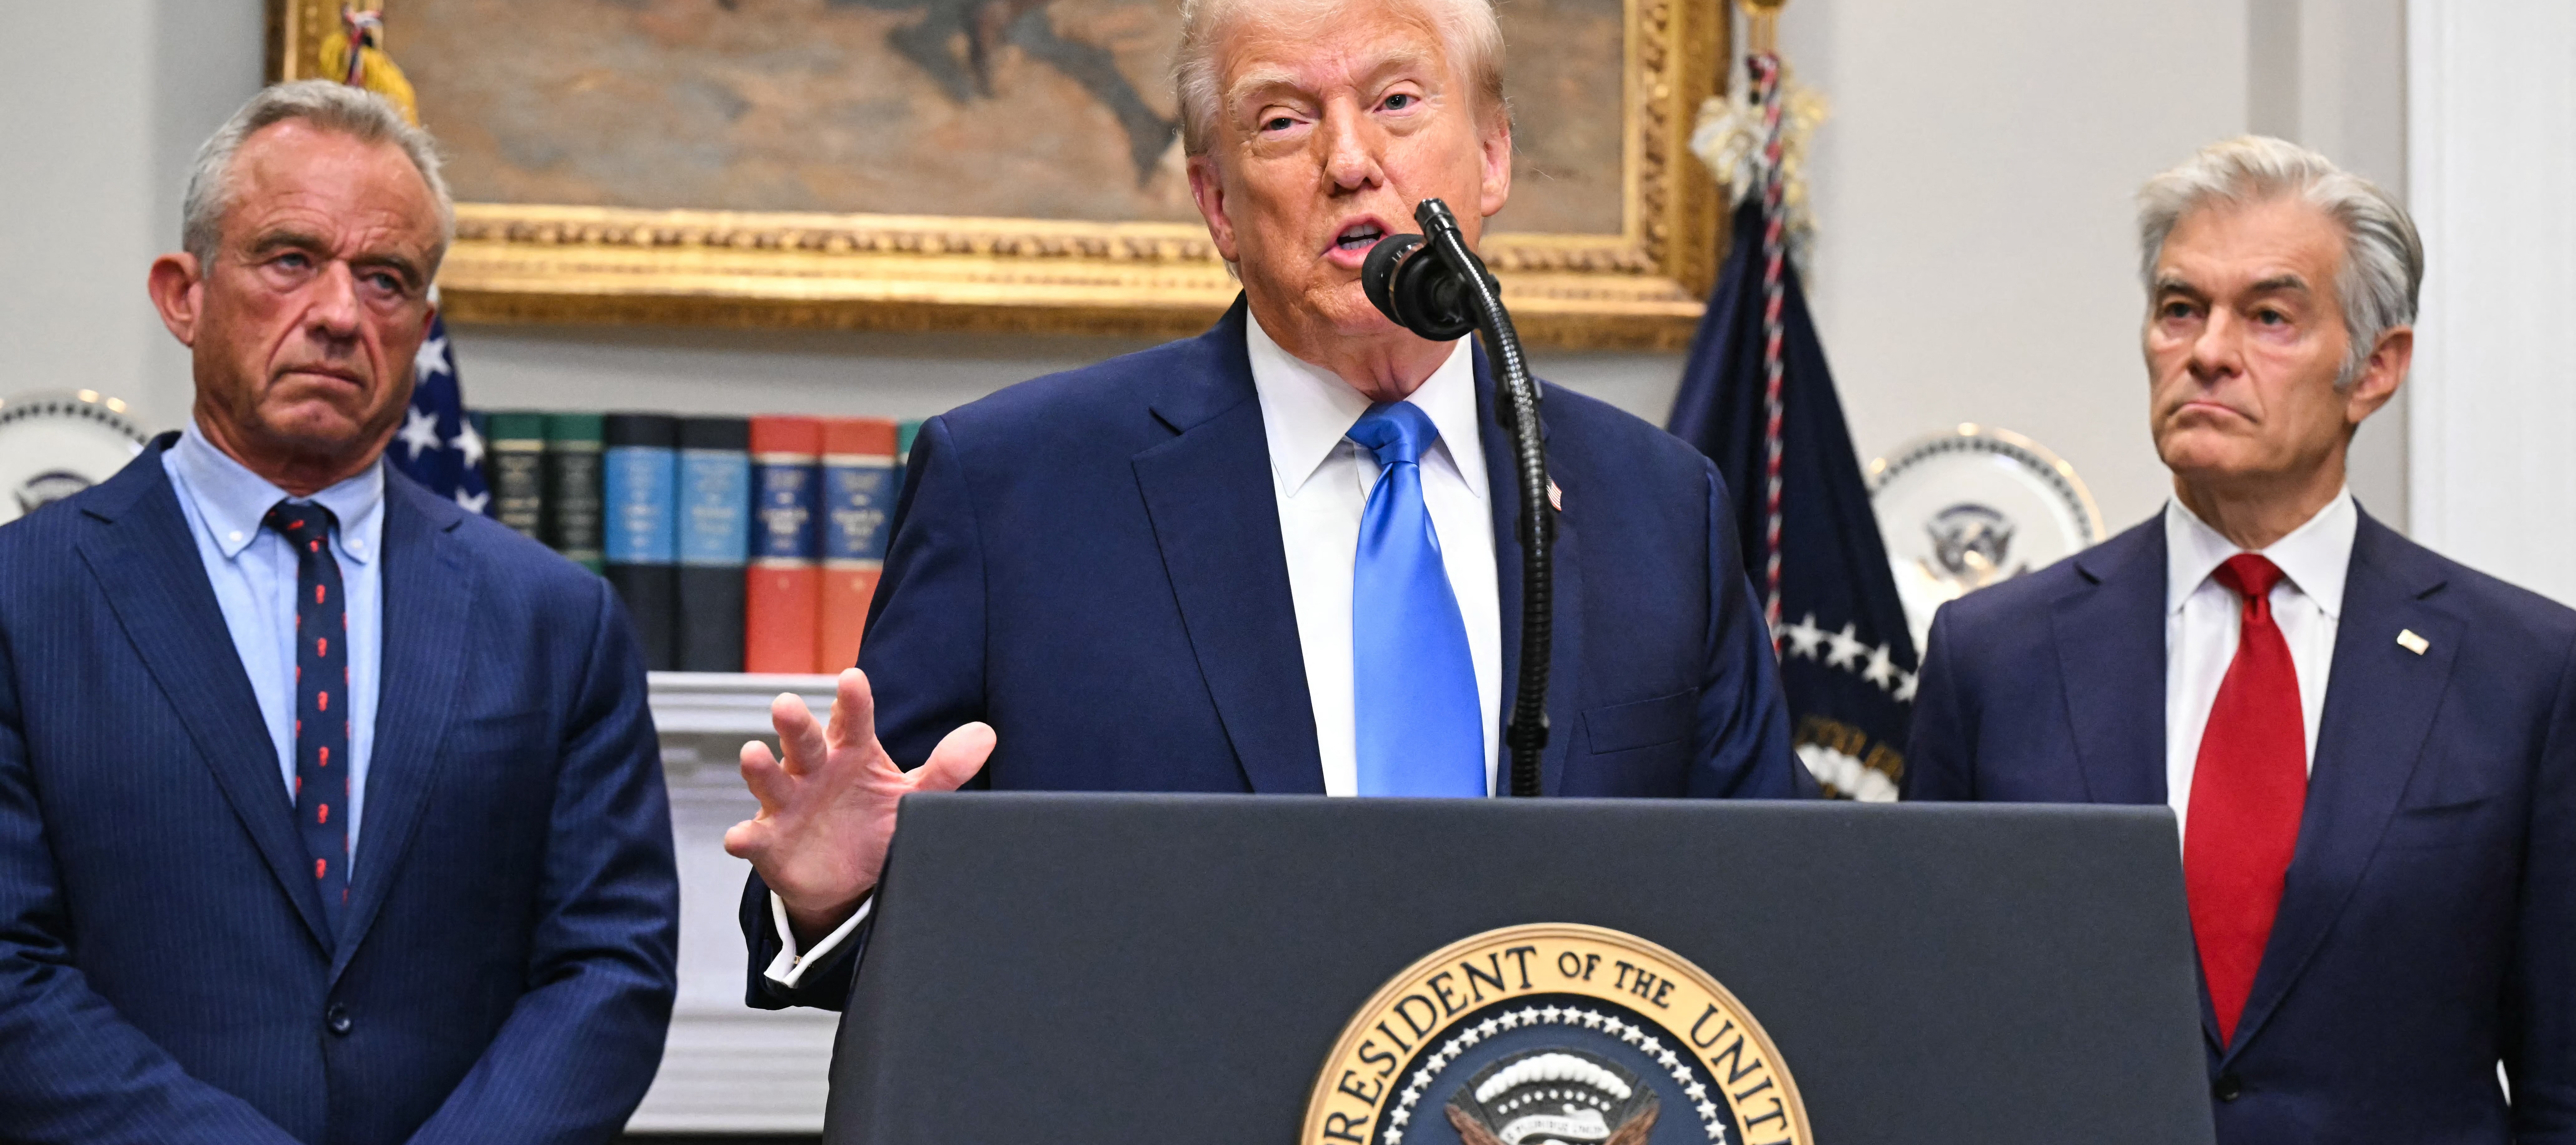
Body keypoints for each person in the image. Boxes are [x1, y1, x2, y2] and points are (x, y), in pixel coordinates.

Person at [728, 0, 1814, 1008]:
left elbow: (1777, 904)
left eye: (1397, 101)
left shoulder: (1659, 504)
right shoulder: (1013, 490)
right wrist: (831, 895)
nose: (1350, 162)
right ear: (1217, 204)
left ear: (1492, 157)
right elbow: (876, 889)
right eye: (1285, 122)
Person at [0, 81, 678, 1143]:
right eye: (290, 259)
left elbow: (610, 964)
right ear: (184, 295)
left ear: (421, 327)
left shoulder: (556, 621)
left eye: (386, 279)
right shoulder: (24, 598)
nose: (339, 314)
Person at [1903, 136, 2573, 1140]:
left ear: (2375, 369)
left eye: (2269, 317)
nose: (2209, 352)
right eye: (2181, 308)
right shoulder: (1994, 658)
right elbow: (1926, 1030)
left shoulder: (2524, 671)